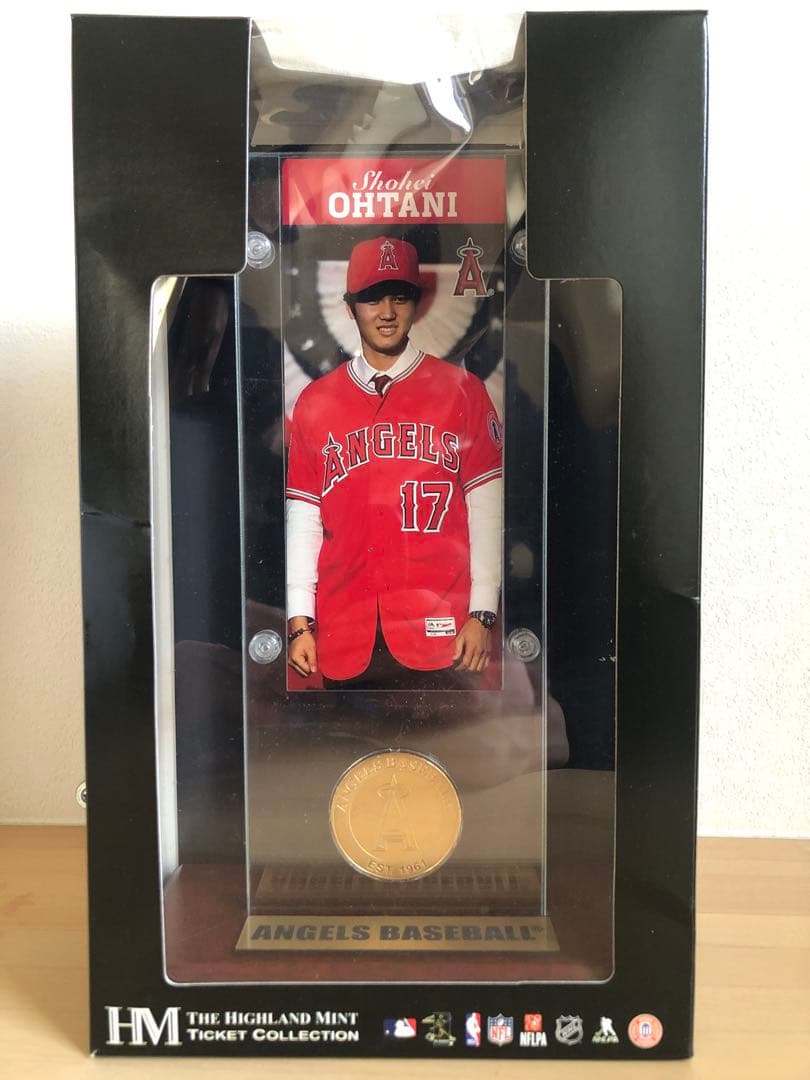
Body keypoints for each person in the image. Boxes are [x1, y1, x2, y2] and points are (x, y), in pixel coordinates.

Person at [285, 236, 503, 689]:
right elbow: (304, 516)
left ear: (416, 304)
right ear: (350, 308)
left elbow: (486, 508)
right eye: (371, 298)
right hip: (345, 628)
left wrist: (483, 612)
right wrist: (299, 620)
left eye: (399, 297)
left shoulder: (462, 391)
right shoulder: (316, 401)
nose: (386, 312)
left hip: (442, 629)